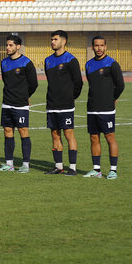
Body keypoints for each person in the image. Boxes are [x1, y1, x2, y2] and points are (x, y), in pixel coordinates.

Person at [83, 36, 125, 180]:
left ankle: (113, 170)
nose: (99, 48)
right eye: (96, 45)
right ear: (92, 47)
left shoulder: (112, 64)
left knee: (110, 137)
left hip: (107, 109)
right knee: (94, 138)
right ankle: (97, 170)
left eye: (101, 45)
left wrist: (112, 98)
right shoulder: (88, 64)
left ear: (106, 46)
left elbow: (120, 85)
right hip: (92, 108)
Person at [44, 30, 83, 175]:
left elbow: (78, 82)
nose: (52, 42)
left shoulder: (71, 60)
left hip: (66, 105)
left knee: (69, 135)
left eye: (55, 39)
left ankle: (72, 168)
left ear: (63, 41)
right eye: (52, 39)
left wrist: (70, 97)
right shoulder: (48, 60)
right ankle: (58, 166)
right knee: (55, 135)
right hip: (51, 104)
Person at [0, 35, 38, 173]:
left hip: (20, 104)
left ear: (18, 46)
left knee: (23, 131)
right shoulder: (4, 62)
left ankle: (25, 164)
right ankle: (9, 164)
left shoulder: (26, 62)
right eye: (7, 45)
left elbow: (34, 83)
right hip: (6, 103)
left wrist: (25, 96)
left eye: (11, 45)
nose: (8, 48)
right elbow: (5, 80)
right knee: (7, 132)